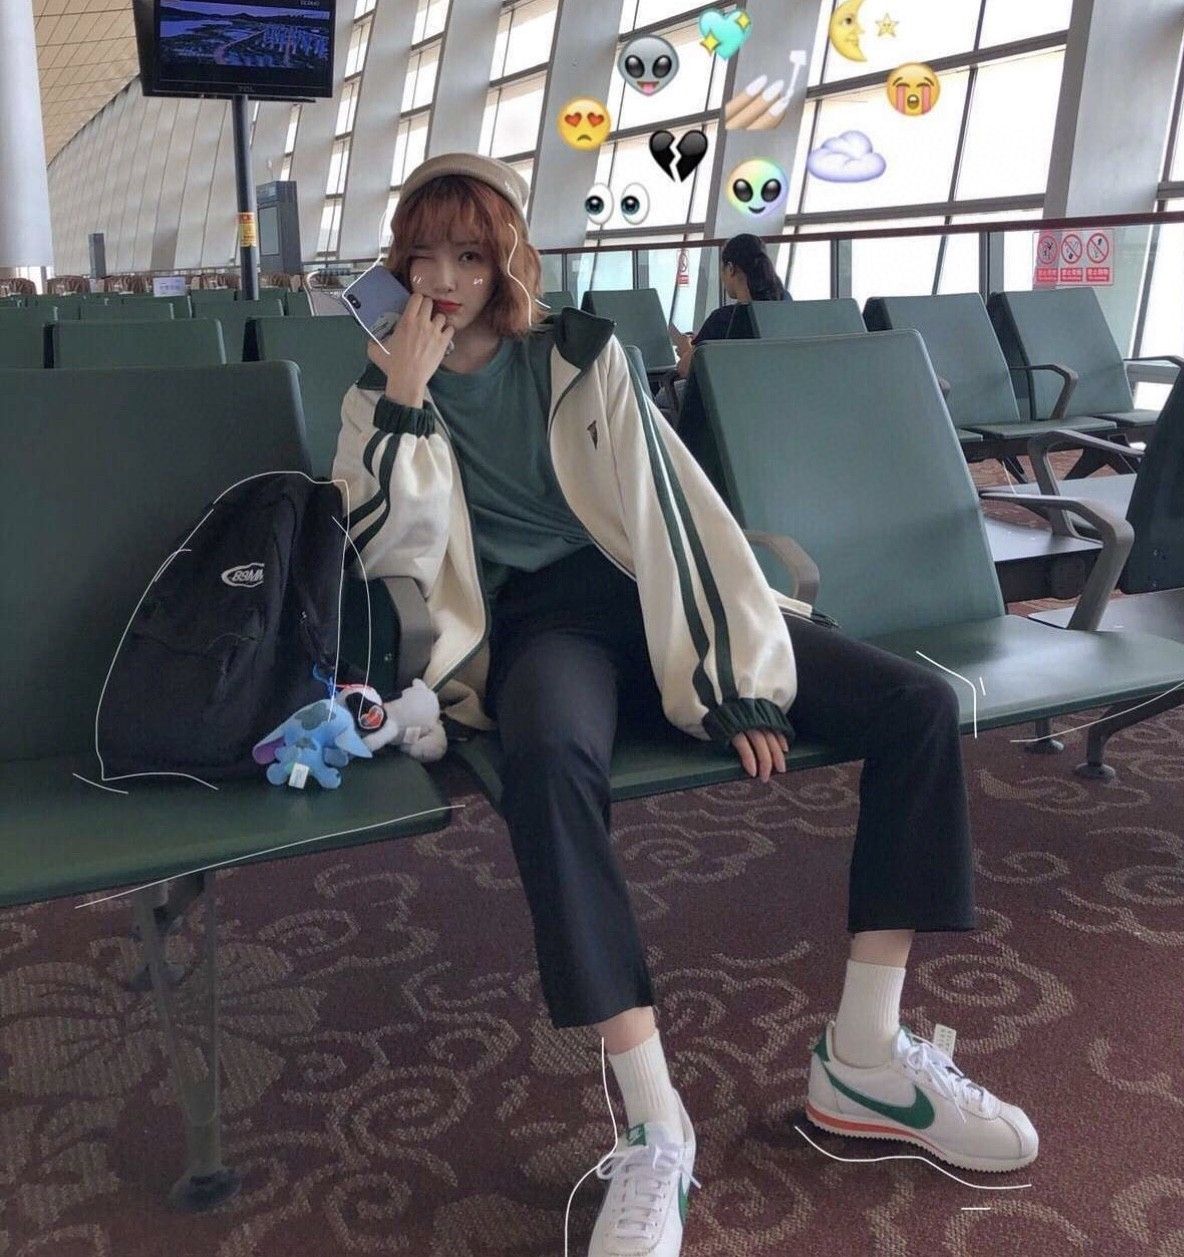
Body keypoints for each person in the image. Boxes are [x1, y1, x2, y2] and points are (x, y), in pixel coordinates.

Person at [333, 153, 1037, 1257]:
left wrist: (730, 678)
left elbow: (670, 516)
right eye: (424, 256)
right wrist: (407, 400)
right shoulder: (376, 393)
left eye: (469, 254)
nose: (446, 279)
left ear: (508, 258)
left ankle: (865, 1054)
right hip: (538, 628)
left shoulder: (582, 354)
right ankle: (655, 1121)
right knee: (546, 761)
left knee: (916, 705)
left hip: (659, 591)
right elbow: (392, 550)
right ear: (398, 265)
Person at [672, 232, 791, 380]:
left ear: (730, 268)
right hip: (779, 386)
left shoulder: (722, 319)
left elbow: (686, 369)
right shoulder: (786, 307)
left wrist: (686, 350)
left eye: (722, 269)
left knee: (662, 391)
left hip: (727, 389)